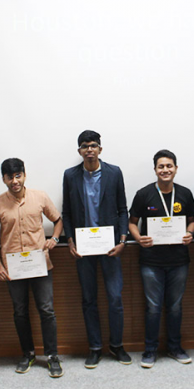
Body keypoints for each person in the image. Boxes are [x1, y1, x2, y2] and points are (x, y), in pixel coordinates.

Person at [0, 158, 65, 378]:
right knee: (20, 311)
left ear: (24, 175)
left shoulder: (40, 197)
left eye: (18, 176)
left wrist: (55, 239)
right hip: (14, 268)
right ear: (3, 179)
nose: (15, 181)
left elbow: (58, 220)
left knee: (46, 310)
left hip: (40, 264)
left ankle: (52, 356)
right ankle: (28, 353)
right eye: (9, 177)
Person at [62, 130, 130, 368]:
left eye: (93, 145)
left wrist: (123, 241)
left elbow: (122, 209)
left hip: (110, 247)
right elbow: (67, 213)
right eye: (84, 146)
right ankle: (95, 348)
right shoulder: (70, 176)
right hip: (83, 248)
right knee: (89, 299)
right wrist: (70, 241)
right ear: (79, 151)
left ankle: (117, 345)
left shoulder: (114, 172)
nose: (89, 150)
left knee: (115, 298)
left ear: (100, 149)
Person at [128, 150, 194, 368]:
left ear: (176, 168)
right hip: (151, 262)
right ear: (155, 169)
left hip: (179, 261)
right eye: (161, 166)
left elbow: (192, 220)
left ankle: (175, 347)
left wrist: (190, 233)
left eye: (169, 166)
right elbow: (132, 222)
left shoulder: (185, 193)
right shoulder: (144, 194)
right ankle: (150, 350)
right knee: (153, 307)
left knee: (175, 307)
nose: (165, 170)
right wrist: (138, 238)